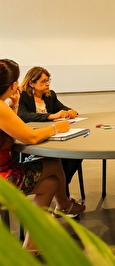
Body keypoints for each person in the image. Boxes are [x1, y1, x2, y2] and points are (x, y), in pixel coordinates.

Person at [0, 59, 85, 254]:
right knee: (53, 163)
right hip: (3, 177)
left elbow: (9, 128)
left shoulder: (7, 106)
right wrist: (55, 127)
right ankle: (64, 205)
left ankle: (32, 246)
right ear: (14, 84)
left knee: (51, 182)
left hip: (4, 169)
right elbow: (30, 136)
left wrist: (13, 105)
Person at [18, 66, 82, 197]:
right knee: (57, 160)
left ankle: (62, 187)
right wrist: (51, 116)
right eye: (43, 81)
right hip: (34, 140)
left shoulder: (50, 95)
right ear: (31, 83)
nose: (47, 84)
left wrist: (70, 111)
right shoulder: (23, 96)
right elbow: (24, 115)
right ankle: (63, 196)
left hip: (52, 137)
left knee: (76, 156)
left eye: (48, 80)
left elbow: (61, 108)